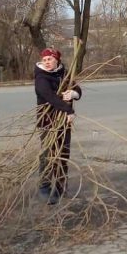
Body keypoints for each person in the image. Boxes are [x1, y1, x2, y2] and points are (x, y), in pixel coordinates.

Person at [34, 47, 82, 204]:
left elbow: (77, 89)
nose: (47, 62)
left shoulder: (64, 74)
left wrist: (74, 94)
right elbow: (48, 96)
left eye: (50, 59)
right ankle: (45, 187)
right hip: (48, 121)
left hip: (63, 122)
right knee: (48, 154)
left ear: (57, 60)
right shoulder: (41, 77)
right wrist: (68, 109)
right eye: (45, 60)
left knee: (63, 154)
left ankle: (61, 187)